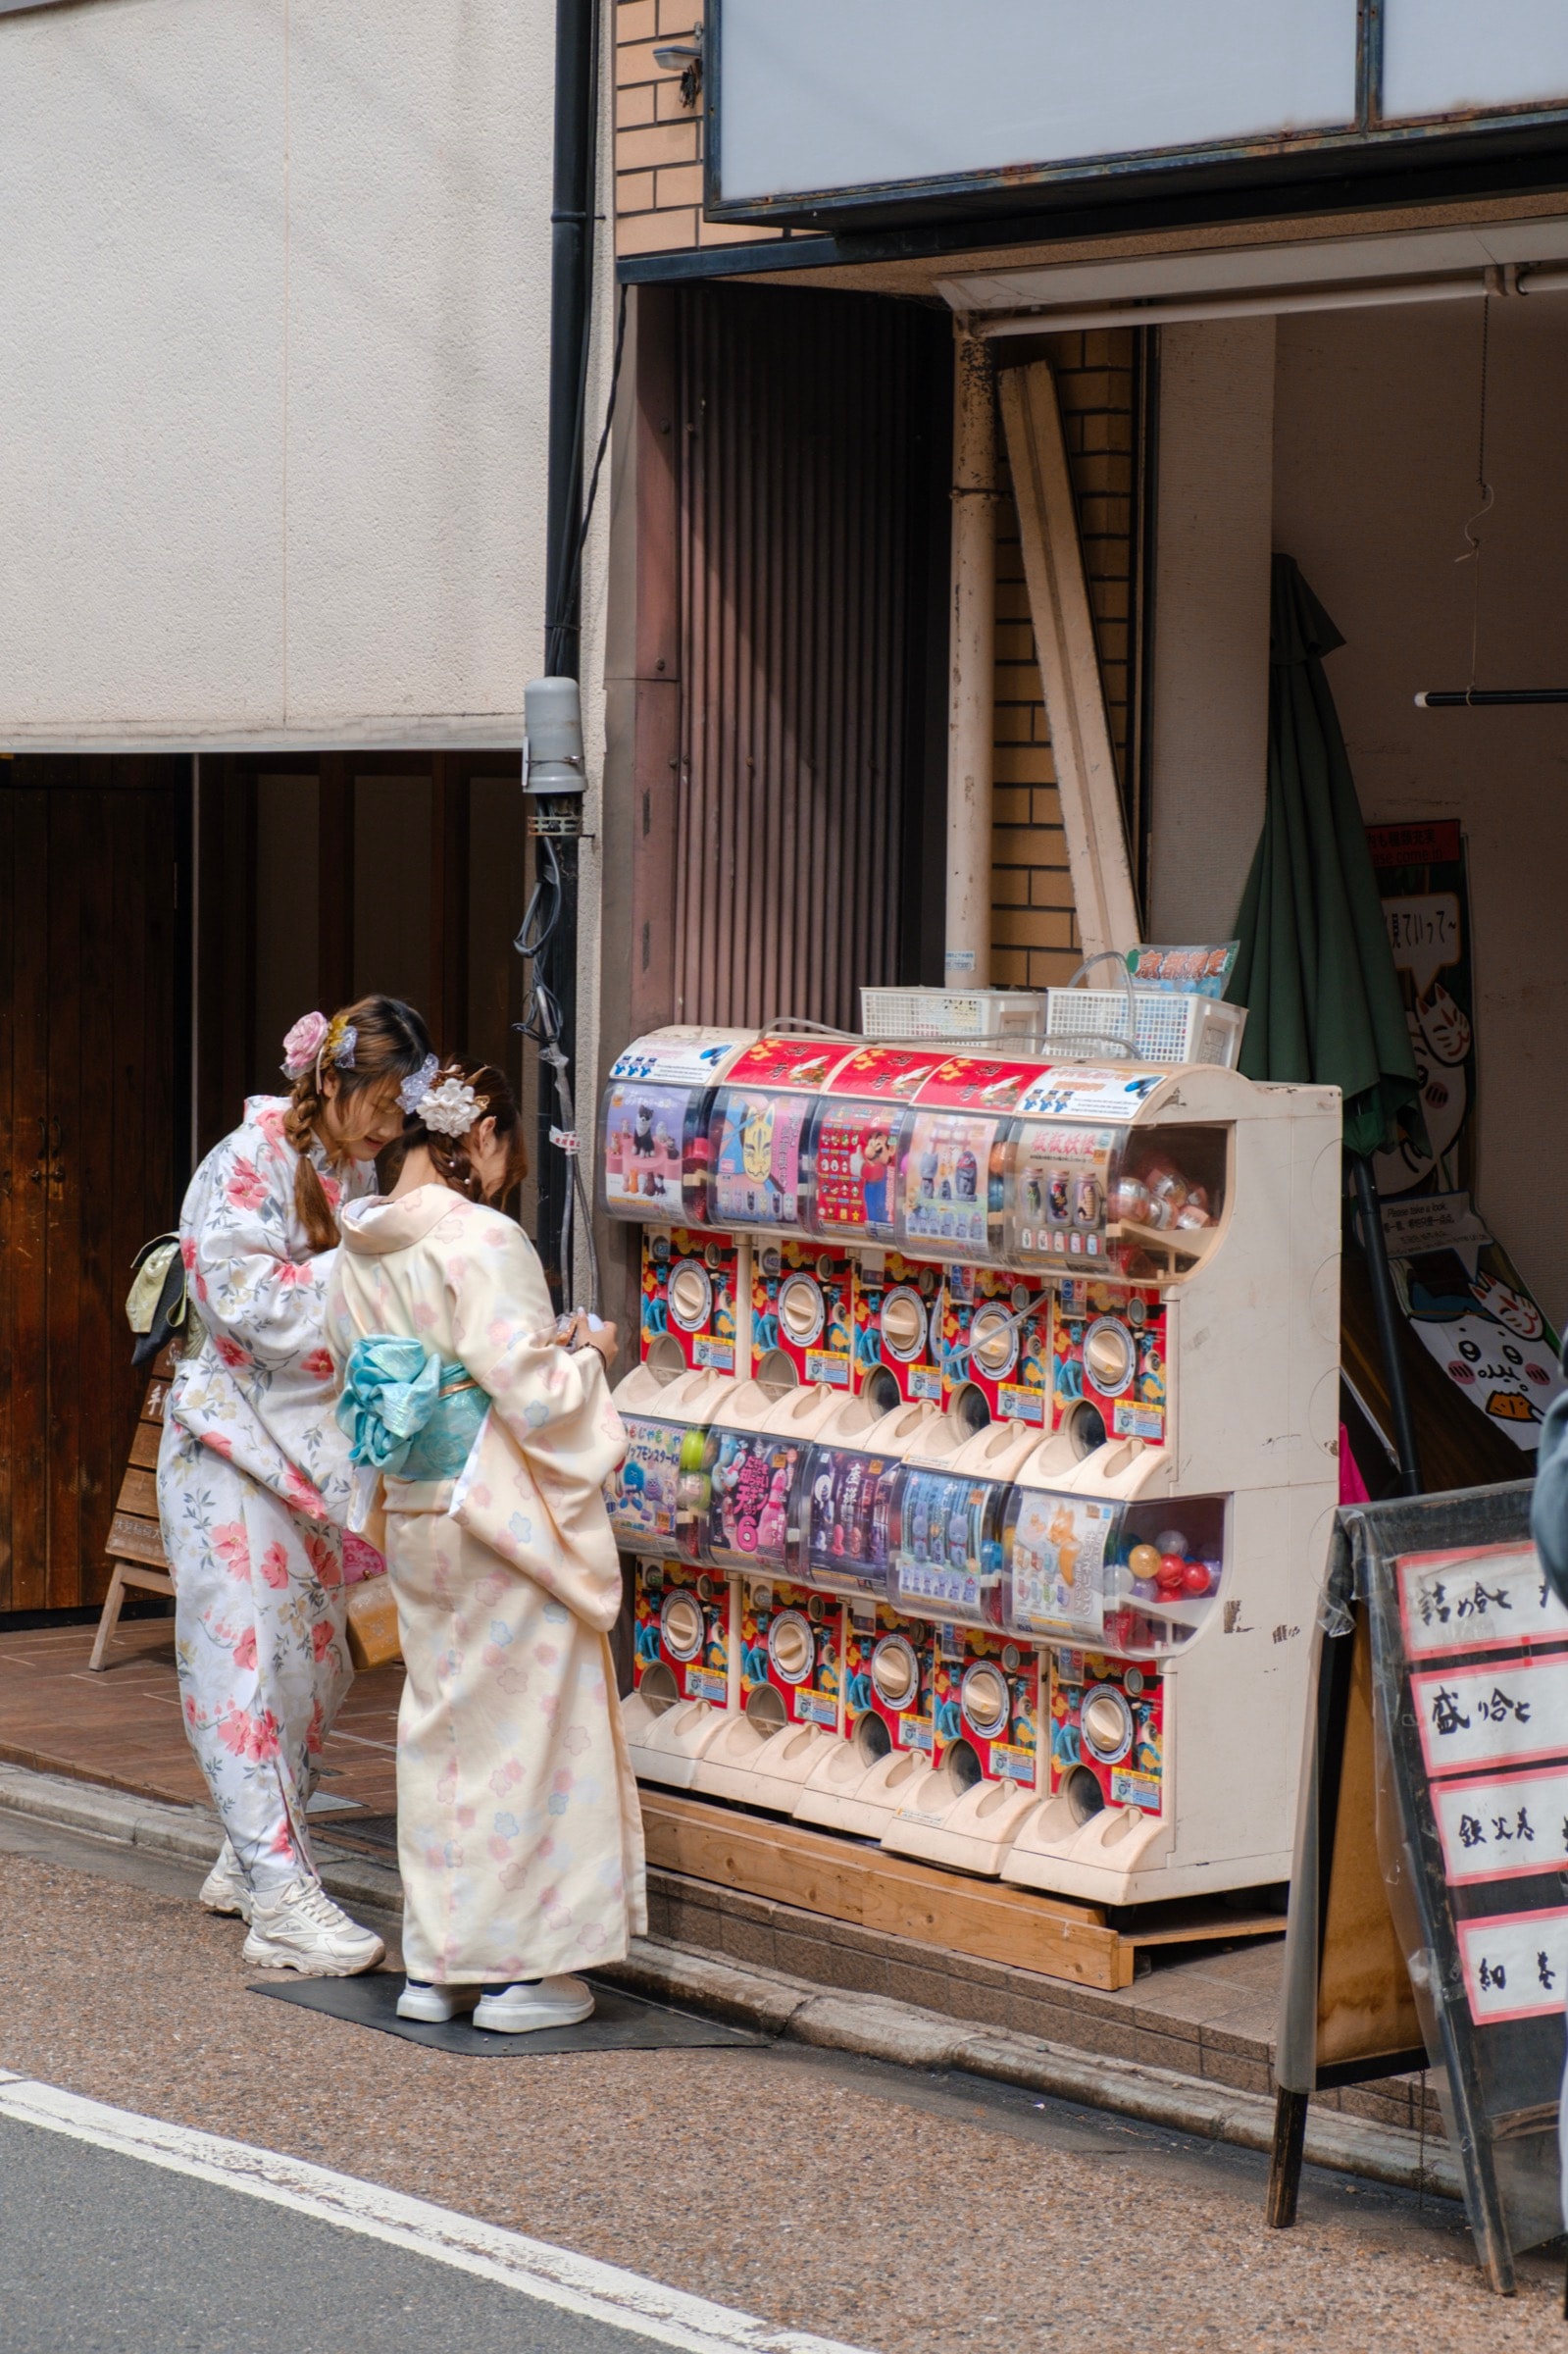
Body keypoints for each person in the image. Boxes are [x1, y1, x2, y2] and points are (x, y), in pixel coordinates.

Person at [328, 1057, 646, 2032]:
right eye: (506, 1150)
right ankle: (521, 1974)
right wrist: (588, 1353)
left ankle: (437, 1965)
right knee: (530, 1739)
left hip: (418, 1505)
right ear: (481, 1140)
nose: (509, 1174)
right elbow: (531, 1393)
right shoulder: (482, 1239)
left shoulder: (360, 1249)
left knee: (442, 1732)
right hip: (498, 1511)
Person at [158, 997, 434, 1974]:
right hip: (228, 1445)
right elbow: (237, 1297)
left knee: (313, 1672)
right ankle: (281, 1896)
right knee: (248, 1668)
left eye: (405, 1100)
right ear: (335, 1082)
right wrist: (369, 1305)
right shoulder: (252, 1156)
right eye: (387, 1096)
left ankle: (248, 1859)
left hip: (306, 1456)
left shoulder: (346, 1166)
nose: (396, 1117)